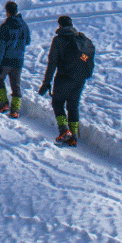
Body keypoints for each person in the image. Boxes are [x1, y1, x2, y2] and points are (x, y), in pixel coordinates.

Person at [39, 15, 92, 147]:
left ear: (60, 25)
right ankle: (73, 136)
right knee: (73, 107)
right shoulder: (81, 39)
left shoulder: (58, 40)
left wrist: (46, 83)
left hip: (63, 77)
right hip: (79, 79)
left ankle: (64, 130)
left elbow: (52, 63)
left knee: (57, 103)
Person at [0, 0, 31, 118]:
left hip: (6, 60)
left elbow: (1, 47)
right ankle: (15, 110)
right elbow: (28, 41)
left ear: (7, 12)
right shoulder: (24, 25)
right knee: (16, 85)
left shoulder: (5, 26)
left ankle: (4, 104)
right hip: (19, 60)